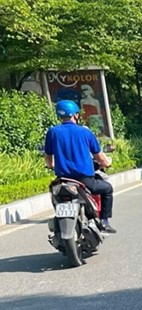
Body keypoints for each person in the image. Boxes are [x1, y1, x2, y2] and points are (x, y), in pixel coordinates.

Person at [43, 100, 116, 233]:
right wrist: (107, 163)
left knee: (55, 196)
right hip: (84, 180)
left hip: (62, 179)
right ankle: (104, 222)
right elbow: (100, 157)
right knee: (107, 189)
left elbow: (48, 157)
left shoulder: (52, 132)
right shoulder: (85, 132)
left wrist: (51, 166)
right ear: (76, 115)